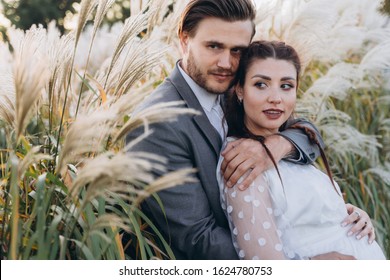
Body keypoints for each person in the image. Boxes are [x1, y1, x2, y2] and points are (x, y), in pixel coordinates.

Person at [126, 0, 374, 259]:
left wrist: (275, 147)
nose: (226, 62)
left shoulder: (238, 88)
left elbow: (309, 134)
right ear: (185, 40)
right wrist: (296, 264)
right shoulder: (156, 124)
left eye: (237, 51)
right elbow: (198, 237)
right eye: (214, 46)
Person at [217, 40, 386, 260]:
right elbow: (263, 265)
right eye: (261, 84)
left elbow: (304, 221)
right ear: (239, 89)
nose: (276, 98)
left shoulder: (289, 146)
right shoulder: (243, 159)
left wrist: (349, 214)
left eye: (286, 86)